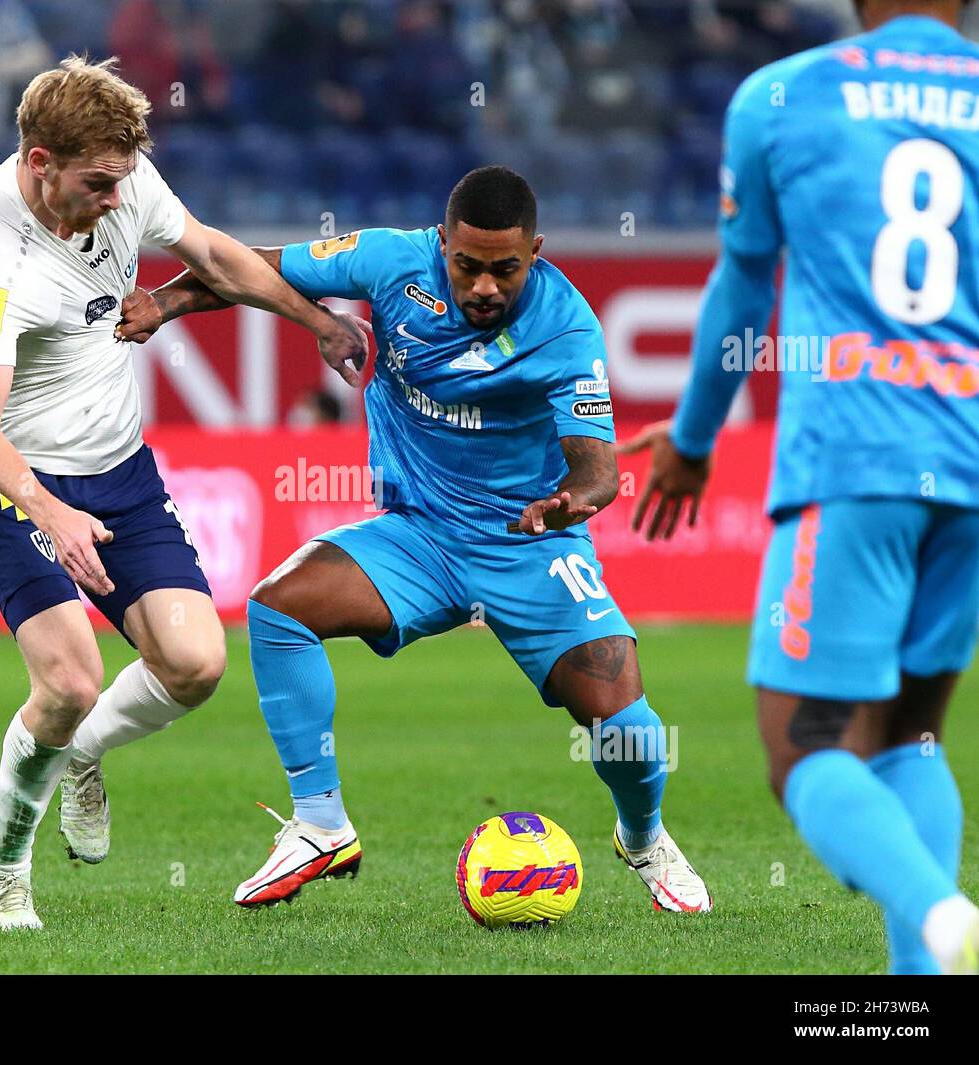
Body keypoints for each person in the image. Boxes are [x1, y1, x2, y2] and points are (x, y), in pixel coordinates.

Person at [118, 166, 713, 913]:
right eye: (468, 266)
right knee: (278, 607)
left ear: (536, 252)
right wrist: (169, 302)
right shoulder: (391, 260)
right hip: (421, 537)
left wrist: (570, 504)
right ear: (443, 244)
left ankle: (645, 836)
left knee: (631, 731)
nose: (486, 287)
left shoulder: (568, 327)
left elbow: (598, 471)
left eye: (506, 268)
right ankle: (320, 823)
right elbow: (246, 265)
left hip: (527, 543)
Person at [0, 55, 366, 929]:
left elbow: (213, 253)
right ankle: (4, 874)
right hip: (11, 475)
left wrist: (317, 322)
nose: (114, 200)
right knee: (67, 680)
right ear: (38, 164)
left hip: (118, 469)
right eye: (96, 184)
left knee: (197, 663)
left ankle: (84, 756)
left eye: (121, 180)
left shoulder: (122, 176)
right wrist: (49, 512)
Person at [623, 0, 979, 973]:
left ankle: (948, 922)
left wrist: (692, 440)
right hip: (970, 458)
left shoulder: (780, 97)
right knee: (910, 735)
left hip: (855, 453)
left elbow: (744, 284)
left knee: (806, 749)